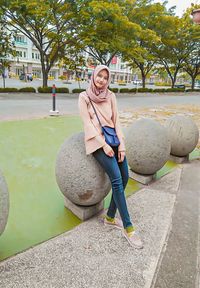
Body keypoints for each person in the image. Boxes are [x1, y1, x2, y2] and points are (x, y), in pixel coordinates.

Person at [78, 65, 143, 249]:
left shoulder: (111, 96)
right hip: (98, 143)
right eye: (100, 76)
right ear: (93, 76)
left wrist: (121, 144)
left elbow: (116, 121)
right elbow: (88, 125)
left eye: (106, 77)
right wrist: (104, 145)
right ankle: (129, 228)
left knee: (124, 177)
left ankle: (109, 218)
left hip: (114, 141)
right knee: (116, 180)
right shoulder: (84, 97)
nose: (102, 80)